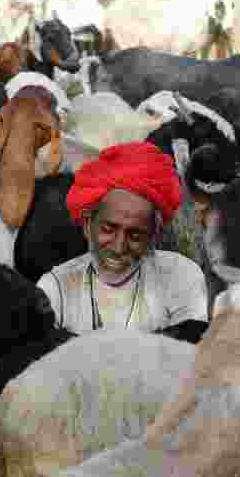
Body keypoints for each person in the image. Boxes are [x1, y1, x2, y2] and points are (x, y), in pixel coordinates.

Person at [38, 141, 209, 341]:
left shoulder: (180, 277)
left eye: (135, 235)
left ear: (155, 235)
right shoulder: (56, 288)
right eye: (108, 229)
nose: (119, 247)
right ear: (87, 225)